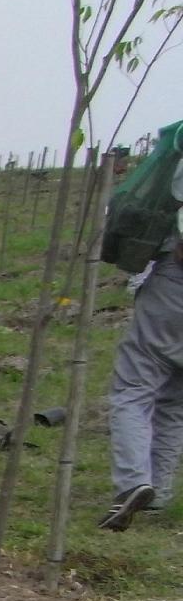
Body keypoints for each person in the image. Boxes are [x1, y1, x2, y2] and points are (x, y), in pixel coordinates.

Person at [101, 184, 183, 530]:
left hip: (174, 291)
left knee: (132, 391)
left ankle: (134, 482)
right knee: (175, 402)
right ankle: (160, 492)